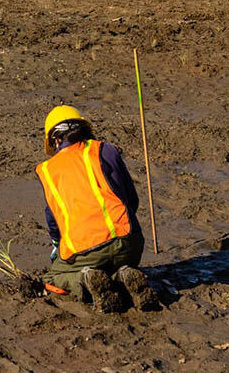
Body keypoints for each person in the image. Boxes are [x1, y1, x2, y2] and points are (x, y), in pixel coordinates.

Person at [36, 106, 157, 313]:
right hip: (129, 244)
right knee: (115, 261)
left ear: (55, 140)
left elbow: (53, 219)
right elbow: (131, 200)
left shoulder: (49, 170)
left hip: (84, 253)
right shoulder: (106, 150)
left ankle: (85, 278)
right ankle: (123, 274)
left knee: (53, 279)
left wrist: (57, 244)